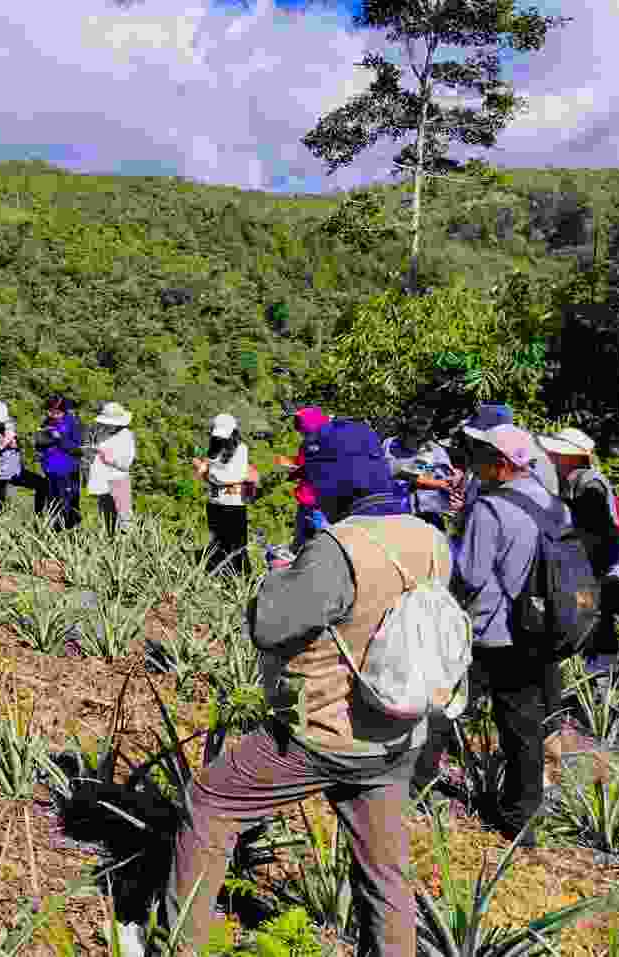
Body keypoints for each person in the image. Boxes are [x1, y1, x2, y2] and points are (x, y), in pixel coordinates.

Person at [169, 460, 435, 957]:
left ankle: (178, 945)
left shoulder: (340, 549)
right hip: (399, 729)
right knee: (385, 869)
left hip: (325, 727)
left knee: (209, 805)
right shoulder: (427, 534)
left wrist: (278, 576)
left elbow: (271, 626)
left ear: (340, 484)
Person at [446, 424, 571, 847]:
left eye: (480, 453)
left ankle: (412, 785)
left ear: (501, 464)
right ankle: (523, 811)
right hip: (543, 626)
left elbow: (471, 574)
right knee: (524, 722)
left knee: (446, 702)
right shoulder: (552, 504)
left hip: (496, 630)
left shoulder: (491, 509)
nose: (474, 460)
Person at [539, 427, 619, 679]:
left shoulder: (588, 482)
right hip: (588, 565)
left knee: (591, 614)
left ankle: (600, 670)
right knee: (590, 613)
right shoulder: (577, 479)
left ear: (568, 456)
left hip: (591, 567)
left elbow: (595, 529)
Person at [194, 413, 251, 576]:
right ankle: (219, 575)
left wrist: (209, 473)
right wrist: (206, 471)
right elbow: (208, 470)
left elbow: (235, 476)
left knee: (237, 547)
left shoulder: (241, 449)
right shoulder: (214, 447)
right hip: (215, 502)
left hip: (233, 504)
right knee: (218, 543)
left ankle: (242, 579)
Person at [383, 409, 456, 532]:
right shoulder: (388, 444)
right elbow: (393, 472)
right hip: (394, 513)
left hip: (427, 515)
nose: (420, 427)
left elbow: (447, 482)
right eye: (417, 421)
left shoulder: (433, 451)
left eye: (424, 423)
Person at [0, 400, 47, 515]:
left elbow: (16, 442)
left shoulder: (8, 423)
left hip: (15, 471)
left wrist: (16, 443)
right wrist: (5, 443)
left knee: (43, 485)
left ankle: (39, 518)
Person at [279, 406, 331, 553]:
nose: (300, 432)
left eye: (302, 427)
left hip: (321, 504)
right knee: (300, 545)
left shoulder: (330, 442)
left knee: (321, 545)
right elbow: (301, 466)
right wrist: (291, 466)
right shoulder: (307, 444)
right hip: (306, 501)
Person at [35, 395, 84, 530]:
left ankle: (70, 532)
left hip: (67, 471)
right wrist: (43, 439)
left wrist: (59, 438)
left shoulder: (73, 423)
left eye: (54, 411)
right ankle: (55, 531)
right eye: (49, 411)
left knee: (67, 504)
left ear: (62, 411)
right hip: (51, 471)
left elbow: (78, 449)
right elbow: (38, 444)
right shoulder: (46, 422)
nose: (50, 414)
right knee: (53, 503)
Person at [86, 401, 135, 534]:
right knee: (106, 515)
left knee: (124, 516)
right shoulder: (102, 432)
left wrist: (110, 460)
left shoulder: (126, 435)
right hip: (102, 479)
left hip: (118, 480)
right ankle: (110, 542)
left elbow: (126, 464)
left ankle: (128, 545)